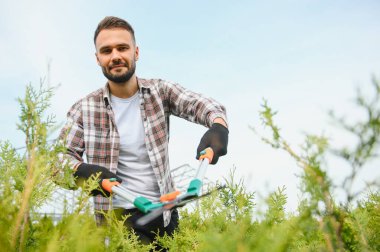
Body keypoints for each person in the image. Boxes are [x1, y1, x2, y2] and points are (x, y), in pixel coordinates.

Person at [59, 16, 229, 245]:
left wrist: (218, 125)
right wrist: (80, 170)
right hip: (118, 221)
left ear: (136, 52)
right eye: (107, 51)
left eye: (122, 48)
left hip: (166, 214)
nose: (116, 56)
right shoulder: (83, 109)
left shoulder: (160, 92)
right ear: (98, 58)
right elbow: (57, 160)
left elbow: (204, 105)